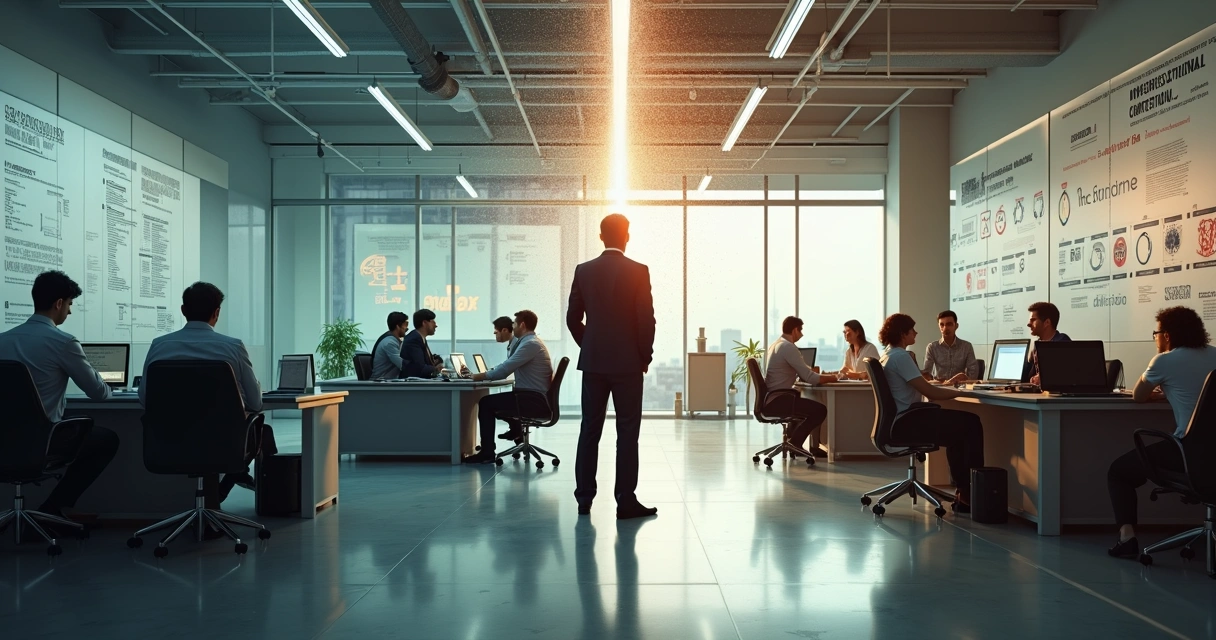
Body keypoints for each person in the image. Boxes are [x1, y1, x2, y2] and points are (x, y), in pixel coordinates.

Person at [141, 282, 274, 508]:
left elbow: (145, 399)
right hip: (224, 443)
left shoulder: (159, 346)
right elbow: (256, 402)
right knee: (263, 432)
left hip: (169, 443)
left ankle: (213, 504)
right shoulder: (232, 347)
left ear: (183, 311)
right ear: (217, 312)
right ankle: (251, 490)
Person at [0, 271, 119, 521]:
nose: (70, 311)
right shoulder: (62, 342)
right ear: (58, 304)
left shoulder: (3, 341)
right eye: (70, 304)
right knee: (106, 440)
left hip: (3, 442)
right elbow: (98, 393)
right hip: (42, 443)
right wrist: (109, 385)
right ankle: (53, 508)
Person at [1106, 306, 1216, 558]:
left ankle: (1127, 539)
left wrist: (1164, 382)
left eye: (1156, 333)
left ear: (1166, 335)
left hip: (1187, 452)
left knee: (1118, 471)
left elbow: (1138, 396)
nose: (1155, 337)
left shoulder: (1164, 360)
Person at [568, 213, 658, 520]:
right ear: (627, 236)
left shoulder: (584, 271)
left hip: (593, 363)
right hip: (628, 365)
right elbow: (645, 320)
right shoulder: (638, 271)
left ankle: (584, 499)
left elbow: (572, 318)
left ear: (601, 236)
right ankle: (625, 500)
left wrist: (591, 346)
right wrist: (643, 356)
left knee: (589, 430)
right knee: (627, 433)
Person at [878, 313, 985, 512]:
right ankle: (970, 493)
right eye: (912, 330)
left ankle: (964, 493)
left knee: (958, 433)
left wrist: (949, 387)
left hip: (901, 420)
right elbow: (928, 391)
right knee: (971, 424)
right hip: (909, 422)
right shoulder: (901, 356)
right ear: (903, 334)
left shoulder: (888, 354)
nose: (916, 333)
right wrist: (957, 391)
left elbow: (923, 385)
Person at [461, 310, 554, 463]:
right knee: (496, 401)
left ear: (522, 325)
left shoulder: (530, 344)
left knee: (486, 403)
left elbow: (504, 370)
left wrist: (475, 376)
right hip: (532, 397)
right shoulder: (530, 343)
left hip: (533, 400)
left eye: (515, 324)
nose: (513, 327)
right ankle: (514, 434)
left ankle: (487, 453)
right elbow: (506, 366)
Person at [764, 316, 838, 457]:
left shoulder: (776, 344)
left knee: (804, 403)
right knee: (820, 410)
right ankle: (795, 444)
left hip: (773, 399)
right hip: (779, 400)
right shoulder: (788, 347)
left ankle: (795, 444)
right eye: (801, 330)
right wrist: (834, 377)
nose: (802, 334)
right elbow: (810, 378)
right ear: (795, 330)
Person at [921, 310, 979, 384]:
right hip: (940, 388)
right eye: (942, 325)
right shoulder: (932, 347)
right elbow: (927, 373)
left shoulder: (966, 346)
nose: (945, 328)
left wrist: (965, 382)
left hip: (959, 387)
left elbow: (973, 373)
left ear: (956, 326)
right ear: (939, 326)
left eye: (949, 324)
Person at [1022, 301, 1070, 384]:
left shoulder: (1062, 343)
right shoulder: (1037, 345)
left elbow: (1065, 374)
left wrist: (1045, 378)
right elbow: (1027, 378)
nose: (1028, 324)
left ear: (1047, 322)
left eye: (1033, 320)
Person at [399, 308, 444, 378]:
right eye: (433, 322)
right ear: (424, 323)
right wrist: (436, 368)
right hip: (414, 386)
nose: (435, 325)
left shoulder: (420, 338)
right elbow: (420, 368)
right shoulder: (414, 340)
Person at [371, 311, 409, 379]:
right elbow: (403, 365)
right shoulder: (390, 343)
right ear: (398, 326)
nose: (407, 328)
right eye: (405, 325)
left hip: (390, 382)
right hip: (380, 384)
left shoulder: (394, 340)